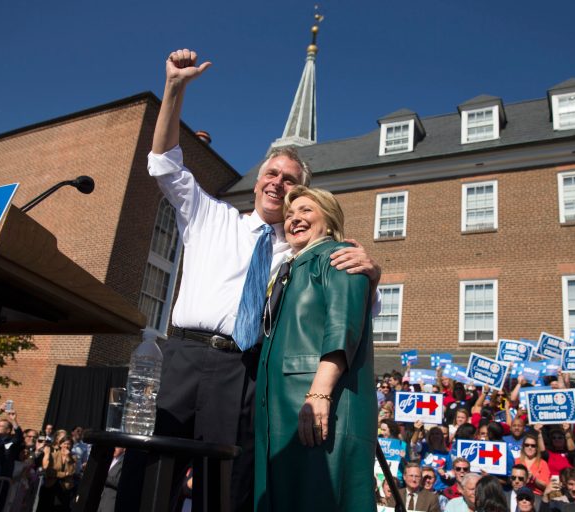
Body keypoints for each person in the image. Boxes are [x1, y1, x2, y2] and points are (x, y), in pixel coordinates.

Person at [118, 48, 381, 512]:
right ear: (259, 179)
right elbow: (163, 163)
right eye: (272, 173)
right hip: (181, 357)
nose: (279, 183)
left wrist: (370, 275)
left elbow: (347, 306)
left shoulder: (302, 251)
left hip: (244, 371)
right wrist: (174, 90)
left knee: (227, 488)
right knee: (148, 484)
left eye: (291, 180)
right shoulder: (211, 216)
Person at [254, 186, 377, 511]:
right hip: (283, 410)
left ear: (330, 218)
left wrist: (319, 394)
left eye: (306, 211)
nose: (295, 219)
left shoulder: (339, 255)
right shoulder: (288, 270)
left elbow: (343, 325)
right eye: (291, 214)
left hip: (319, 405)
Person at [37, 435, 76, 512]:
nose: (67, 446)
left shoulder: (73, 458)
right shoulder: (53, 455)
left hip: (64, 487)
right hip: (50, 485)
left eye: (69, 444)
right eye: (65, 443)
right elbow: (50, 471)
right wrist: (64, 474)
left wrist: (68, 458)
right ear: (60, 444)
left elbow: (71, 472)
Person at [98, 447, 125, 512]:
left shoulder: (124, 462)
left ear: (124, 449)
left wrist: (103, 477)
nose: (114, 448)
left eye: (117, 447)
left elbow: (120, 482)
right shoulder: (109, 458)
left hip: (110, 502)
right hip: (100, 500)